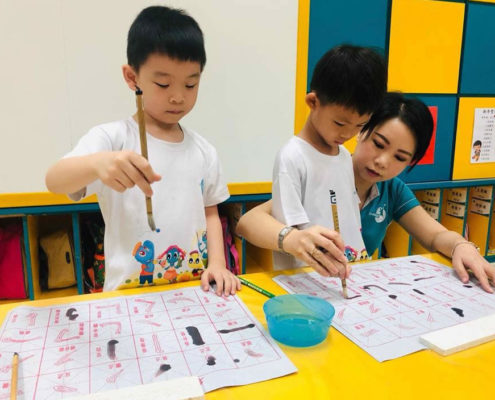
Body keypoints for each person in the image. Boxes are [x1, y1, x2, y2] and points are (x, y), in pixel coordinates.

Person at [45, 6, 240, 295]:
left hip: (192, 293)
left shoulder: (204, 151)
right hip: (128, 297)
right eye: (163, 83)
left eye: (191, 84)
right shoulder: (113, 139)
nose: (178, 96)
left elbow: (211, 213)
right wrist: (98, 164)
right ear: (132, 77)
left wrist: (218, 264)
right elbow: (54, 181)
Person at [237, 92, 495, 293]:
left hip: (352, 294)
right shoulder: (322, 173)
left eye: (400, 158)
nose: (382, 161)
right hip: (307, 292)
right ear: (361, 131)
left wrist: (462, 246)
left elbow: (435, 235)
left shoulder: (392, 190)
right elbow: (248, 222)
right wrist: (293, 238)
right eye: (378, 144)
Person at [271, 45, 387, 273]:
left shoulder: (343, 156)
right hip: (308, 277)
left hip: (349, 273)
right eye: (340, 123)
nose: (348, 134)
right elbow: (291, 232)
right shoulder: (292, 157)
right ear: (313, 102)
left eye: (360, 125)